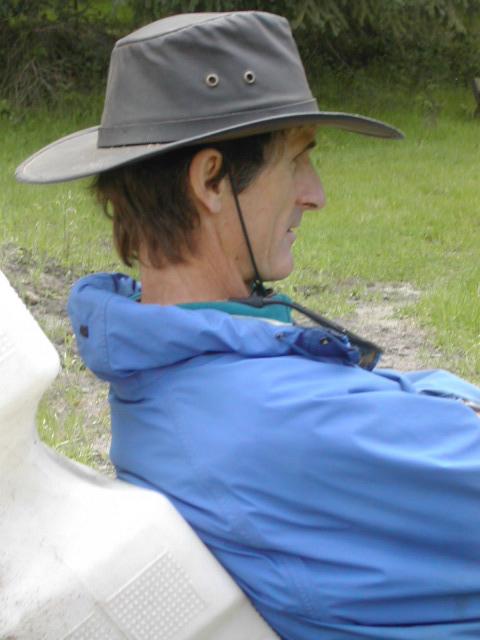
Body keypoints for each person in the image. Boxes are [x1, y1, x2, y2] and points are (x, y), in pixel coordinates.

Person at [17, 11, 480, 640]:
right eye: (297, 160)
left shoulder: (167, 364)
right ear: (212, 180)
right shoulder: (279, 418)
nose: (315, 194)